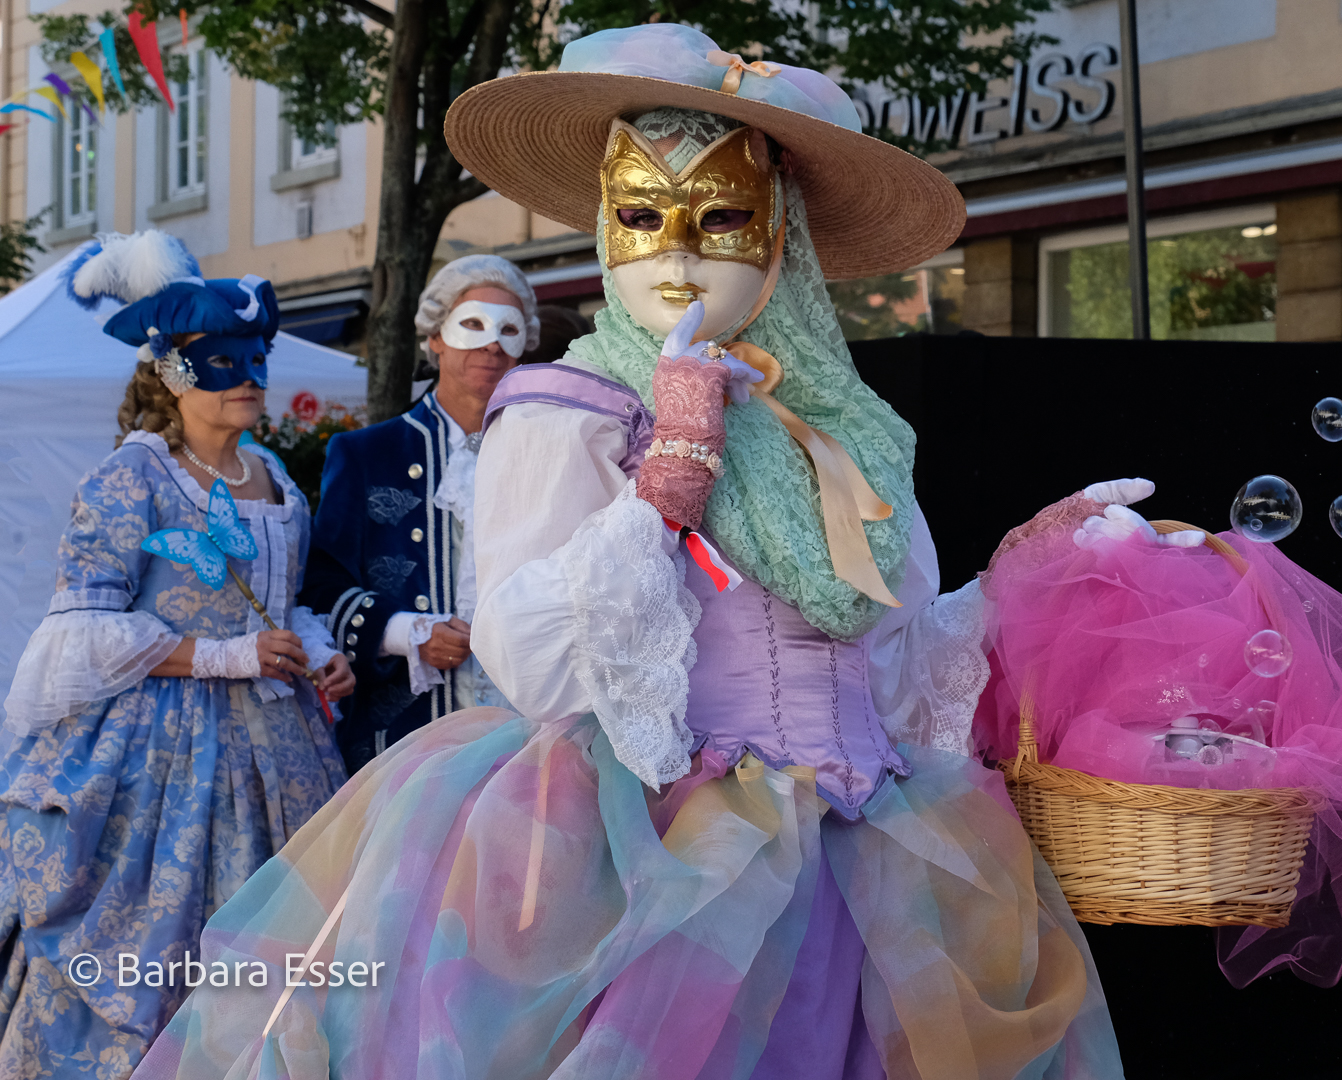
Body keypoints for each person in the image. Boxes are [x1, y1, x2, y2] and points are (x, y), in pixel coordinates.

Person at [133, 26, 1134, 1079]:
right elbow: (529, 663)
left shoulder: (845, 430)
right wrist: (661, 492)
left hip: (866, 862)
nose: (678, 251)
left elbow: (891, 664)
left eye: (725, 217)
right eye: (642, 215)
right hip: (659, 864)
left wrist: (1030, 568)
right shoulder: (575, 409)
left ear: (781, 232)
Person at [0, 230, 353, 1079]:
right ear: (171, 374)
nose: (250, 379)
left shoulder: (276, 478)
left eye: (257, 358)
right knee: (166, 955)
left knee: (301, 949)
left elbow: (283, 598)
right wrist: (224, 656)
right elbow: (77, 630)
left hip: (286, 749)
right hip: (162, 761)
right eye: (222, 362)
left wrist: (313, 647)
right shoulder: (133, 480)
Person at [300, 256, 537, 773]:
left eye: (509, 329)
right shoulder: (366, 454)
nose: (492, 344)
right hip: (405, 739)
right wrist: (406, 631)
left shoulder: (548, 454)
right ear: (435, 337)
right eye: (472, 324)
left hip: (531, 730)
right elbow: (319, 584)